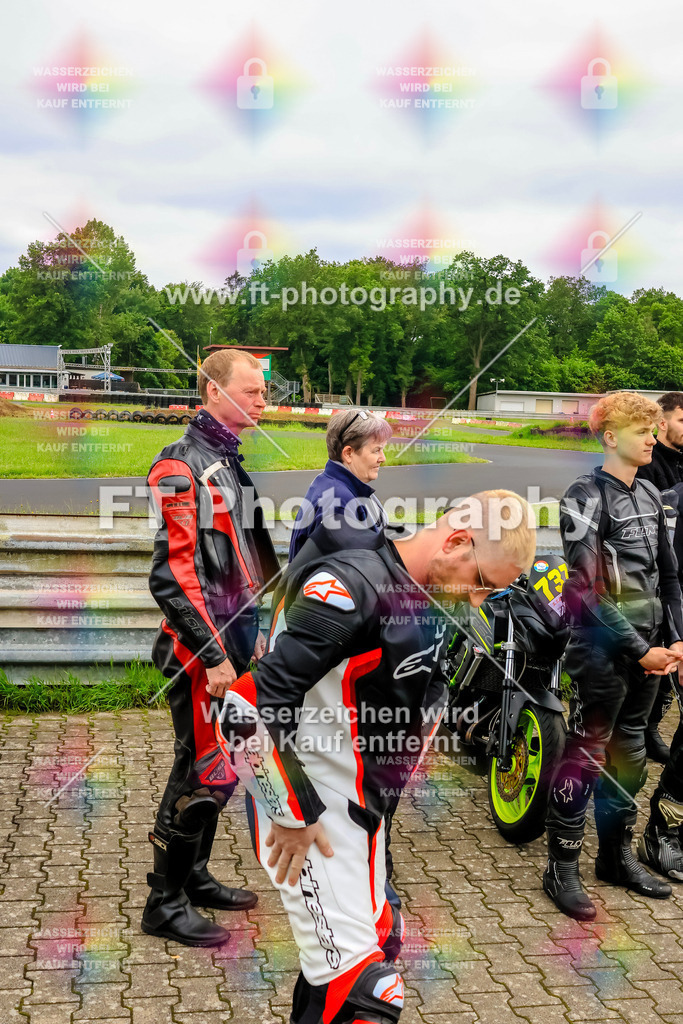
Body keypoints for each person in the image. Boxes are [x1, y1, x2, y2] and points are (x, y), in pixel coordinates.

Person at [215, 491, 535, 1024]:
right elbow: (241, 712)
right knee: (367, 995)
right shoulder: (352, 585)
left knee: (370, 952)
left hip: (366, 817)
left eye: (491, 593)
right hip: (308, 813)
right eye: (481, 583)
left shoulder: (436, 598)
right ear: (457, 542)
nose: (478, 600)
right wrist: (291, 817)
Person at [141, 349, 280, 946]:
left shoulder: (224, 457)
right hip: (202, 656)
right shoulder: (180, 464)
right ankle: (163, 904)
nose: (262, 401)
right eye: (251, 390)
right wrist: (215, 657)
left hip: (233, 645)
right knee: (198, 773)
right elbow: (172, 576)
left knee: (215, 768)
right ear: (213, 391)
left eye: (263, 391)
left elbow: (245, 557)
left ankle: (193, 874)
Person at [543, 392, 683, 922]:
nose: (652, 437)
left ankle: (615, 857)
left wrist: (677, 638)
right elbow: (585, 591)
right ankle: (561, 867)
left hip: (651, 654)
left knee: (629, 759)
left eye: (653, 428)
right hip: (603, 653)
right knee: (585, 756)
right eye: (641, 429)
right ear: (609, 437)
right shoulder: (583, 495)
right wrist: (642, 649)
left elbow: (669, 577)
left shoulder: (650, 491)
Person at [637, 392, 683, 762]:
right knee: (656, 654)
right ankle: (638, 729)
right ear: (663, 423)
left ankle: (651, 726)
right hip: (654, 580)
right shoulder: (646, 465)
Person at [288, 408, 392, 561]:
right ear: (348, 453)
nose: (382, 458)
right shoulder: (339, 503)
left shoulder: (332, 484)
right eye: (376, 450)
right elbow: (344, 575)